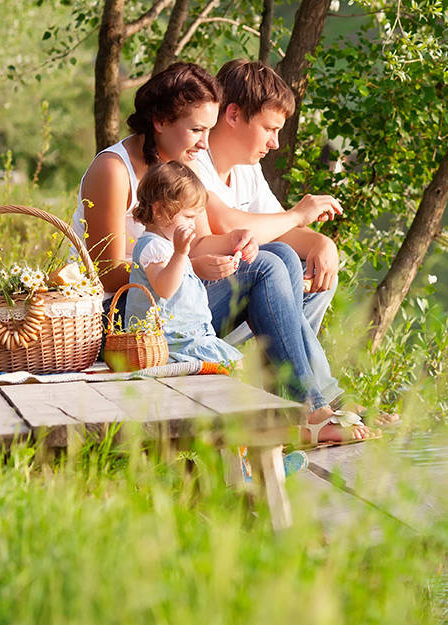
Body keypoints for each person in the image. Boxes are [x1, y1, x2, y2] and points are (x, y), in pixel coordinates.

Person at [73, 61, 377, 444]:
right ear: (160, 121)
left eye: (208, 130)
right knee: (266, 265)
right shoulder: (114, 170)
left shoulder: (177, 166)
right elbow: (112, 275)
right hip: (122, 319)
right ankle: (312, 408)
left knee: (276, 254)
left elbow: (198, 242)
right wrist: (188, 266)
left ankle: (296, 401)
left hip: (168, 303)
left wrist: (239, 242)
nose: (203, 143)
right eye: (197, 130)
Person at [193, 59, 340, 335]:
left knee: (320, 273)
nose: (275, 143)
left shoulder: (247, 169)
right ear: (234, 115)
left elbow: (278, 230)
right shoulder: (193, 158)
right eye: (270, 129)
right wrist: (297, 214)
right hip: (195, 302)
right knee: (272, 262)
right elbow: (225, 224)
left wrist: (321, 243)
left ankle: (287, 367)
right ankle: (297, 372)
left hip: (228, 298)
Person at [124, 161, 244, 367]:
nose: (193, 223)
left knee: (234, 364)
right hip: (167, 342)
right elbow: (165, 288)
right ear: (159, 210)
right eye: (188, 216)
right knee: (228, 366)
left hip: (188, 335)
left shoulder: (166, 246)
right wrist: (180, 254)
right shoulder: (153, 247)